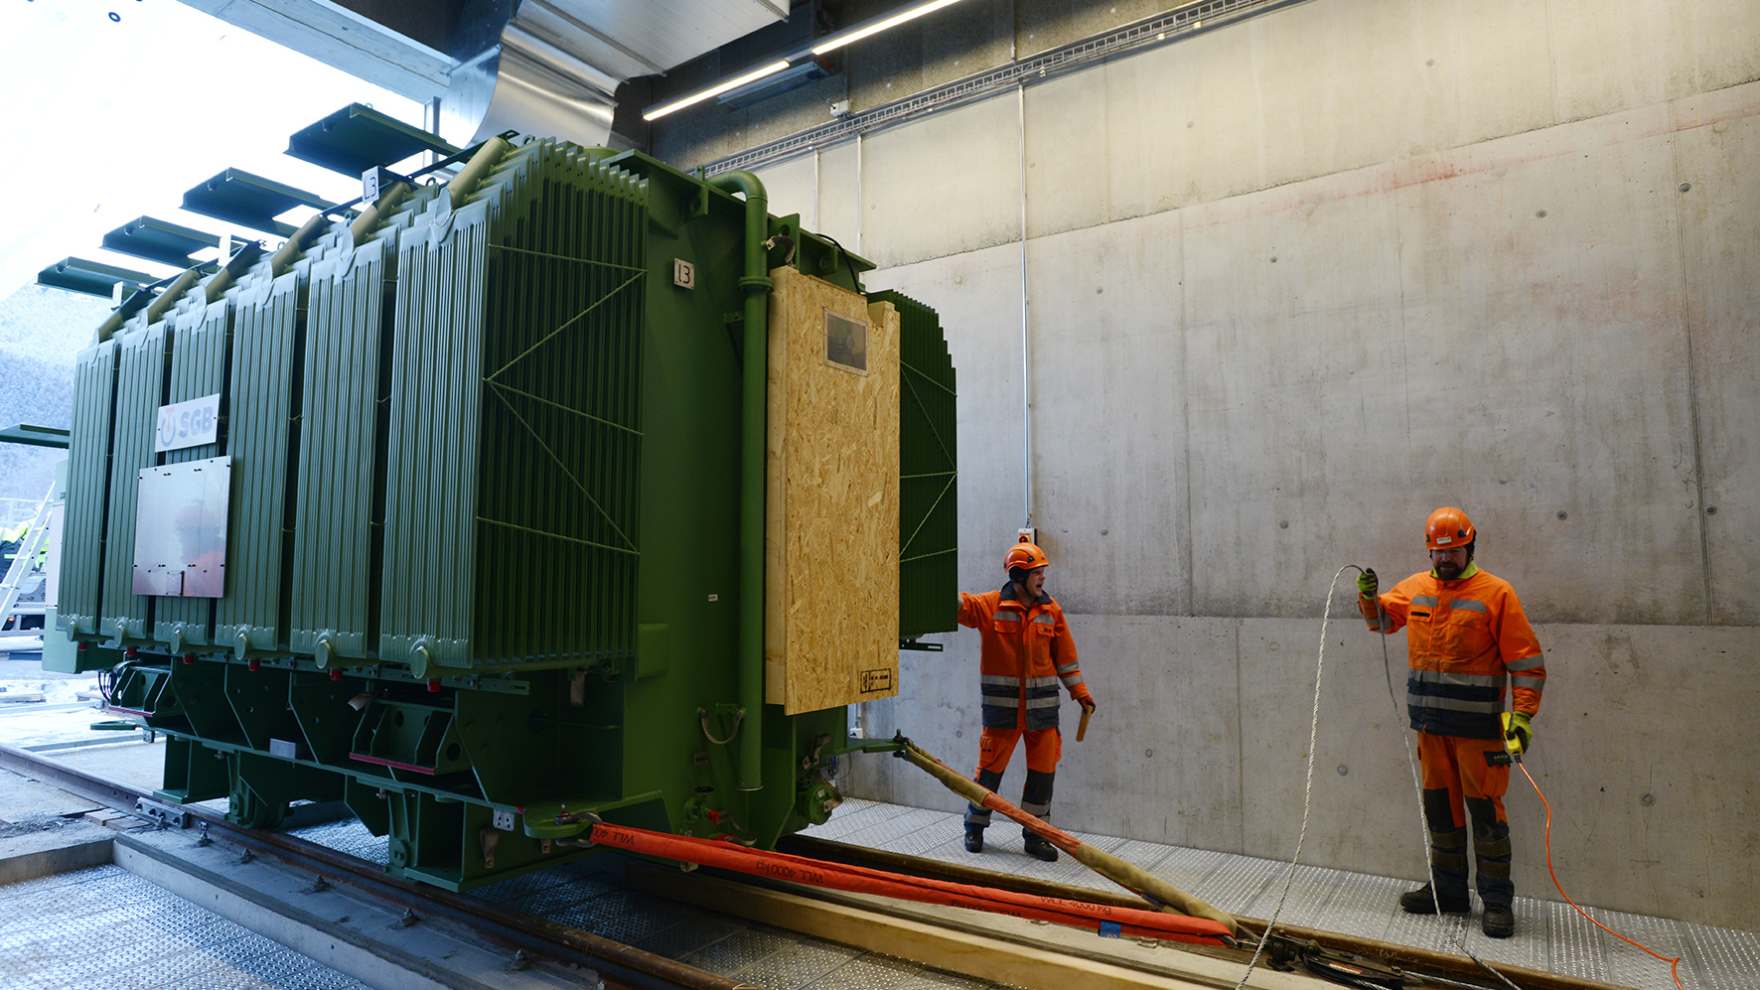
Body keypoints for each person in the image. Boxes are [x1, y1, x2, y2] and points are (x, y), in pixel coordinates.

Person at [1357, 507, 1546, 938]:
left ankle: (1496, 902)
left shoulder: (1496, 594)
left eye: (1453, 552)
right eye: (1437, 553)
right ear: (1429, 552)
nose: (1445, 560)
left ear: (1469, 547)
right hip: (1430, 728)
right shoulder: (1416, 588)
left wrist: (1522, 716)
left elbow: (1528, 663)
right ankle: (1449, 893)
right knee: (1441, 812)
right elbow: (1381, 622)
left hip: (1478, 733)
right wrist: (1369, 598)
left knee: (1486, 816)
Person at [956, 541, 1096, 861]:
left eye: (1043, 572)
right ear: (1018, 575)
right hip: (1002, 715)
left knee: (1042, 778)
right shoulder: (991, 605)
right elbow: (960, 607)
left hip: (1043, 716)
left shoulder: (1051, 611)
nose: (1043, 578)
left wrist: (1081, 694)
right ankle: (974, 827)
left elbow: (1067, 662)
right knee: (988, 775)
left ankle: (1036, 837)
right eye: (1037, 573)